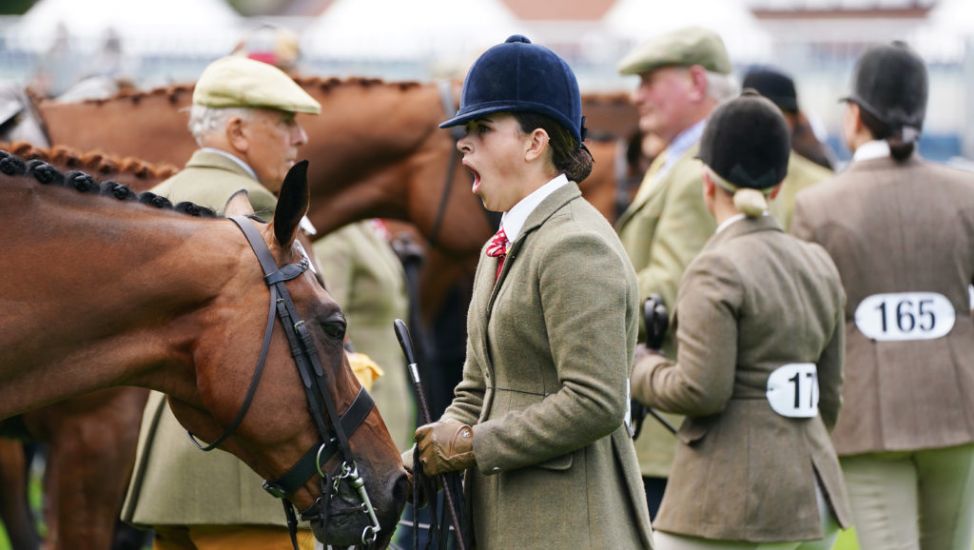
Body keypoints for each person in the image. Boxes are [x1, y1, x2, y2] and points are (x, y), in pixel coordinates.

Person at [410, 35, 653, 549]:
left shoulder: (576, 243)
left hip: (571, 531)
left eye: (481, 128)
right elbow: (476, 389)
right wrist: (416, 461)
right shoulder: (502, 243)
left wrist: (474, 444)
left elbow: (596, 400)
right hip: (510, 523)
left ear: (534, 142)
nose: (463, 143)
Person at [631, 92, 851, 550]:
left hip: (729, 496)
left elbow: (700, 390)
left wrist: (640, 368)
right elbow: (828, 395)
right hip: (810, 486)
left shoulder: (715, 267)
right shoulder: (818, 264)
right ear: (778, 187)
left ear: (706, 182)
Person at [121, 55, 320, 550]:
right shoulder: (258, 208)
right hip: (251, 483)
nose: (301, 139)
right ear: (237, 131)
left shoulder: (157, 196)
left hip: (169, 481)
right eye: (286, 123)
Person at [791, 42, 974, 550]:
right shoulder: (967, 196)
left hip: (867, 416)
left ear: (854, 116)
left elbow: (806, 321)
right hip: (960, 408)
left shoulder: (818, 205)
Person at [614, 25, 738, 517]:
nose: (636, 94)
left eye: (649, 80)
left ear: (695, 82)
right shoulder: (677, 160)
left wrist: (582, 305)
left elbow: (667, 291)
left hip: (668, 425)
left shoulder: (694, 170)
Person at [312, 221, 413, 451]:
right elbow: (328, 327)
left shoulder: (365, 228)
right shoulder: (335, 237)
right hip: (365, 402)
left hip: (394, 391)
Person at [741, 66, 833, 231]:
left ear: (793, 120)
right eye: (747, 115)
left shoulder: (821, 185)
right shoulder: (718, 177)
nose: (758, 124)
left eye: (770, 115)